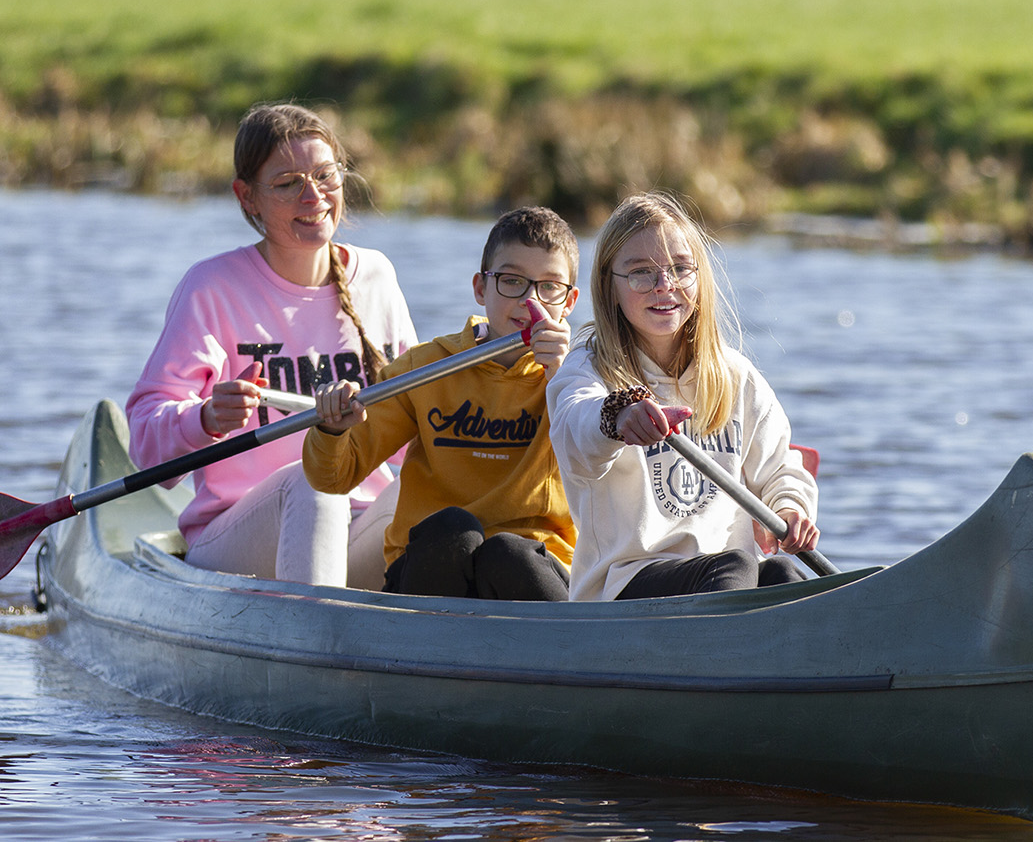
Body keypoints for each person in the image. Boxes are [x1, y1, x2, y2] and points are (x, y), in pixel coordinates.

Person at [125, 102, 418, 588]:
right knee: (315, 475)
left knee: (449, 477)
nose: (313, 197)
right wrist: (205, 419)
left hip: (358, 528)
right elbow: (144, 443)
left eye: (325, 176)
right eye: (287, 184)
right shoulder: (211, 287)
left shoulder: (378, 276)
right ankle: (316, 643)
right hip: (238, 538)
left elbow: (411, 425)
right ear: (248, 198)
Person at [546, 191, 819, 603]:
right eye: (641, 272)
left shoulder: (735, 376)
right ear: (609, 286)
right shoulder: (587, 370)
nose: (664, 287)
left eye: (680, 269)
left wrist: (790, 509)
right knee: (738, 565)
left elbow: (781, 468)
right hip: (621, 588)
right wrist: (617, 417)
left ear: (699, 277)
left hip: (721, 579)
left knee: (779, 570)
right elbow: (574, 430)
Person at [302, 206, 581, 600]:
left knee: (507, 553)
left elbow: (611, 481)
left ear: (569, 302)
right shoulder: (427, 367)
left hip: (532, 564)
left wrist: (563, 380)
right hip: (433, 564)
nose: (528, 301)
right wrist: (331, 428)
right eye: (512, 280)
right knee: (452, 531)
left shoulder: (581, 376)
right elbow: (333, 478)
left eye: (549, 286)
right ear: (481, 288)